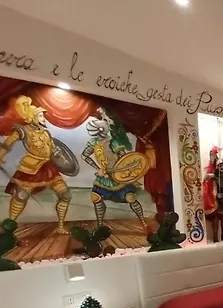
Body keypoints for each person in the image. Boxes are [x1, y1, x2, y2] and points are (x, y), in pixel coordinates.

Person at [0, 96, 72, 234]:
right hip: (30, 168)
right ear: (33, 117)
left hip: (48, 167)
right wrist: (1, 155)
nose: (43, 118)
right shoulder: (23, 130)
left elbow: (53, 150)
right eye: (40, 115)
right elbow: (8, 143)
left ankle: (60, 226)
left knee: (65, 194)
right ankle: (9, 227)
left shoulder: (46, 132)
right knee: (21, 196)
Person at [81, 108, 149, 232]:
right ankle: (100, 226)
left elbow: (125, 158)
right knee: (95, 198)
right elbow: (84, 156)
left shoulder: (113, 142)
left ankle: (144, 223)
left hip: (118, 177)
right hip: (104, 178)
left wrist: (125, 169)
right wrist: (98, 169)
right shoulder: (93, 143)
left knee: (130, 198)